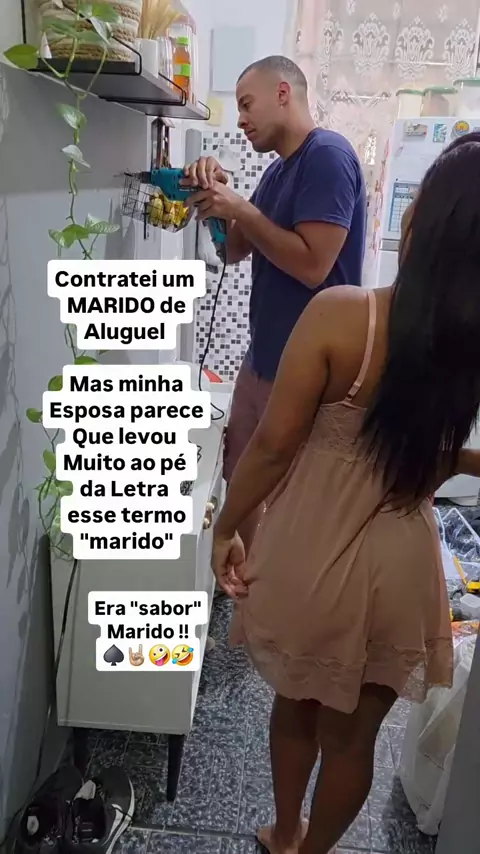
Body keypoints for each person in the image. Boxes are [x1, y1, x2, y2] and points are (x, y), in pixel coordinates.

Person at [210, 134, 480, 854]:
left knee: (295, 707)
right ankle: (313, 852)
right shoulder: (467, 346)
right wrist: (456, 458)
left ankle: (283, 832)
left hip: (311, 551)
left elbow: (272, 446)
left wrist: (226, 526)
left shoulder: (344, 314)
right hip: (402, 565)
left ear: (420, 220)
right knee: (354, 740)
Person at [184, 55, 366, 556]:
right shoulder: (276, 173)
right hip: (264, 358)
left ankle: (277, 590)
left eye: (247, 104)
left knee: (292, 496)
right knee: (241, 476)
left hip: (310, 372)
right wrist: (216, 197)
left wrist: (241, 208)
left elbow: (313, 266)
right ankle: (250, 583)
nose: (241, 119)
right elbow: (234, 249)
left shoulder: (327, 156)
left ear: (283, 93)